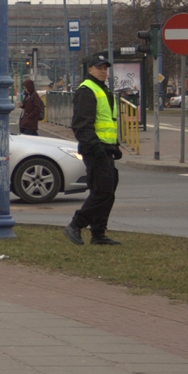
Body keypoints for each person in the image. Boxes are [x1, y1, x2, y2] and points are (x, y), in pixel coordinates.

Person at [63, 52, 122, 246]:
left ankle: (98, 234)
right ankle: (75, 225)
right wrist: (96, 148)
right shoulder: (87, 90)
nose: (103, 71)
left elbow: (105, 121)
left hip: (105, 148)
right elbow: (81, 125)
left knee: (107, 191)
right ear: (90, 70)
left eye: (105, 68)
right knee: (102, 192)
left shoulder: (102, 89)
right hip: (95, 149)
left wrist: (114, 146)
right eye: (99, 68)